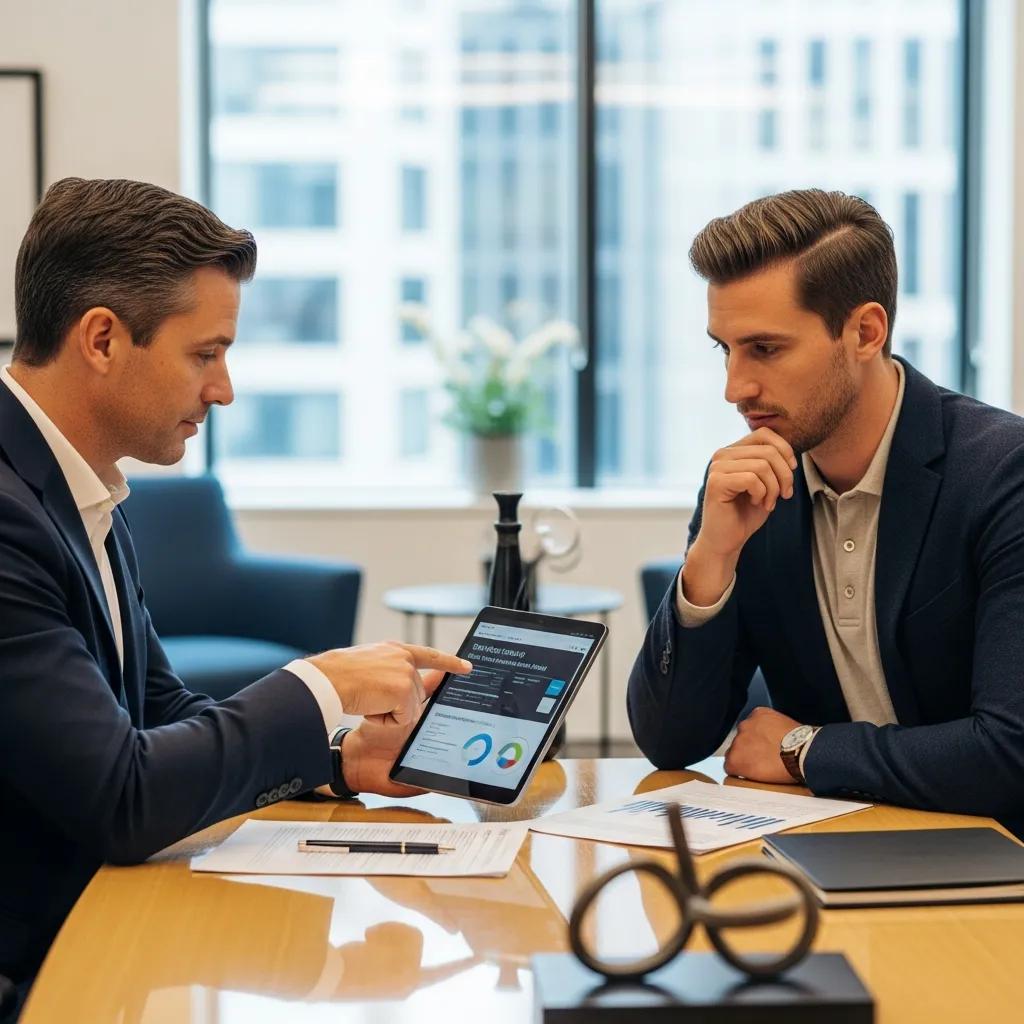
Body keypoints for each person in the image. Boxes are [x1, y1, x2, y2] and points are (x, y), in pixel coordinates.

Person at [0, 177, 473, 1010]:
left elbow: (156, 712)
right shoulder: (8, 517)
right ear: (103, 339)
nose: (223, 390)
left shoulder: (79, 491)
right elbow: (122, 797)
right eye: (205, 354)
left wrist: (336, 758)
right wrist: (322, 685)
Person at [628, 188, 1024, 836]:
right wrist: (711, 560)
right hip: (833, 850)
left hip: (998, 868)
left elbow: (1011, 751)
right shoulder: (748, 486)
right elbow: (671, 741)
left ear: (865, 332)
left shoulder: (1002, 476)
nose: (735, 388)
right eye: (722, 349)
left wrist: (803, 749)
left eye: (765, 349)